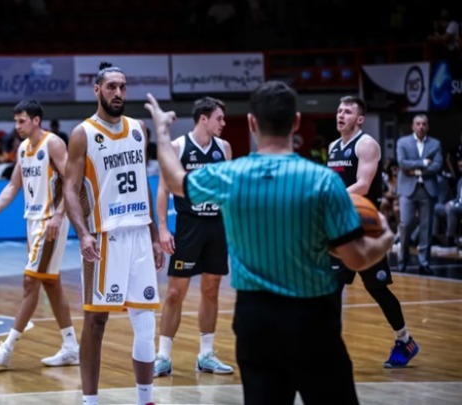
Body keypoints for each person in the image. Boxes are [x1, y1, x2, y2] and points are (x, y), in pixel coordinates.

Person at [145, 81, 394, 405]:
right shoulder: (325, 181)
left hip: (256, 322)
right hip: (314, 321)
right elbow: (357, 259)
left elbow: (176, 182)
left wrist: (161, 133)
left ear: (251, 123)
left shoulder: (232, 176)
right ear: (296, 122)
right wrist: (385, 240)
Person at [63, 62, 164, 405]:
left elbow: (143, 184)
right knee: (96, 322)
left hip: (138, 234)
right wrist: (83, 232)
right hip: (105, 237)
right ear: (97, 90)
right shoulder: (82, 134)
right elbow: (70, 187)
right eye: (111, 87)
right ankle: (90, 402)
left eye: (122, 87)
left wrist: (154, 232)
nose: (118, 93)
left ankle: (145, 399)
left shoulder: (138, 128)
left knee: (146, 322)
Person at [0, 99, 79, 368]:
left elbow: (72, 182)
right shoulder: (22, 149)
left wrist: (58, 214)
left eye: (22, 120)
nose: (17, 126)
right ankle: (71, 347)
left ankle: (7, 348)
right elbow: (12, 186)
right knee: (51, 283)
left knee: (30, 283)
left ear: (36, 120)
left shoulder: (53, 143)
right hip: (32, 221)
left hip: (50, 222)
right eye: (16, 121)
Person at [327, 95, 419, 368]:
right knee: (331, 288)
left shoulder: (366, 145)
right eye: (339, 110)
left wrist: (328, 198)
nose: (340, 114)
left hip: (365, 228)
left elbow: (364, 185)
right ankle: (326, 345)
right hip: (339, 226)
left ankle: (404, 340)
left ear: (360, 119)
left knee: (377, 289)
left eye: (347, 111)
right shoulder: (333, 147)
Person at [154, 96, 234, 377]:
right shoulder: (178, 147)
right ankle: (163, 356)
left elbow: (227, 191)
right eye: (219, 118)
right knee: (175, 292)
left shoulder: (224, 148)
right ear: (204, 118)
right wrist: (163, 228)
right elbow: (163, 190)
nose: (223, 123)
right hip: (188, 226)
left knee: (211, 289)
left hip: (216, 227)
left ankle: (206, 354)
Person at [396, 114, 442, 275]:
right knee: (406, 224)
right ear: (413, 126)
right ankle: (402, 261)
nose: (421, 126)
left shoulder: (435, 144)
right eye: (418, 124)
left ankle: (424, 263)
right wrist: (422, 164)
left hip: (427, 189)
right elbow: (402, 162)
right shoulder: (402, 142)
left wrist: (413, 170)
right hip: (407, 190)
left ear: (427, 126)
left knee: (426, 228)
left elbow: (437, 166)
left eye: (424, 124)